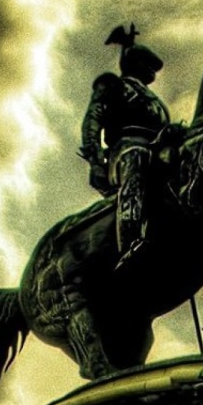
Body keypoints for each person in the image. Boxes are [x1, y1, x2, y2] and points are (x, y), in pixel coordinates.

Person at [79, 23, 173, 263]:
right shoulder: (114, 85)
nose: (152, 71)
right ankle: (130, 247)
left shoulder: (156, 102)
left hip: (156, 154)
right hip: (125, 152)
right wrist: (94, 158)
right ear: (134, 64)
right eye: (147, 64)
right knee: (138, 159)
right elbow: (93, 118)